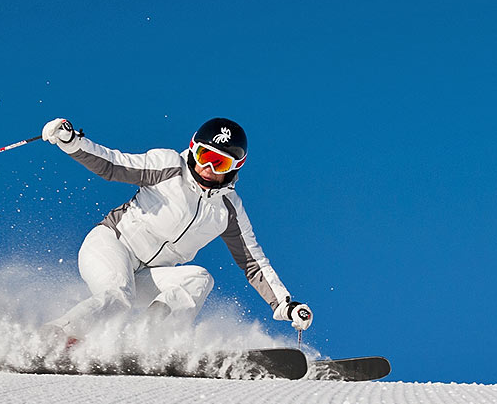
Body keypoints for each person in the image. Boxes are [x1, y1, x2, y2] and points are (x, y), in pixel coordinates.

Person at [40, 116, 313, 347]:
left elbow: (253, 263)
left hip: (147, 275)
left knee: (199, 279)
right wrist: (73, 143)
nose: (207, 168)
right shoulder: (169, 167)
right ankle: (55, 338)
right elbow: (113, 164)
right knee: (119, 297)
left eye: (220, 163)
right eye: (205, 156)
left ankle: (144, 342)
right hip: (112, 245)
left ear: (234, 168)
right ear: (193, 149)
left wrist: (284, 305)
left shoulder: (228, 211)